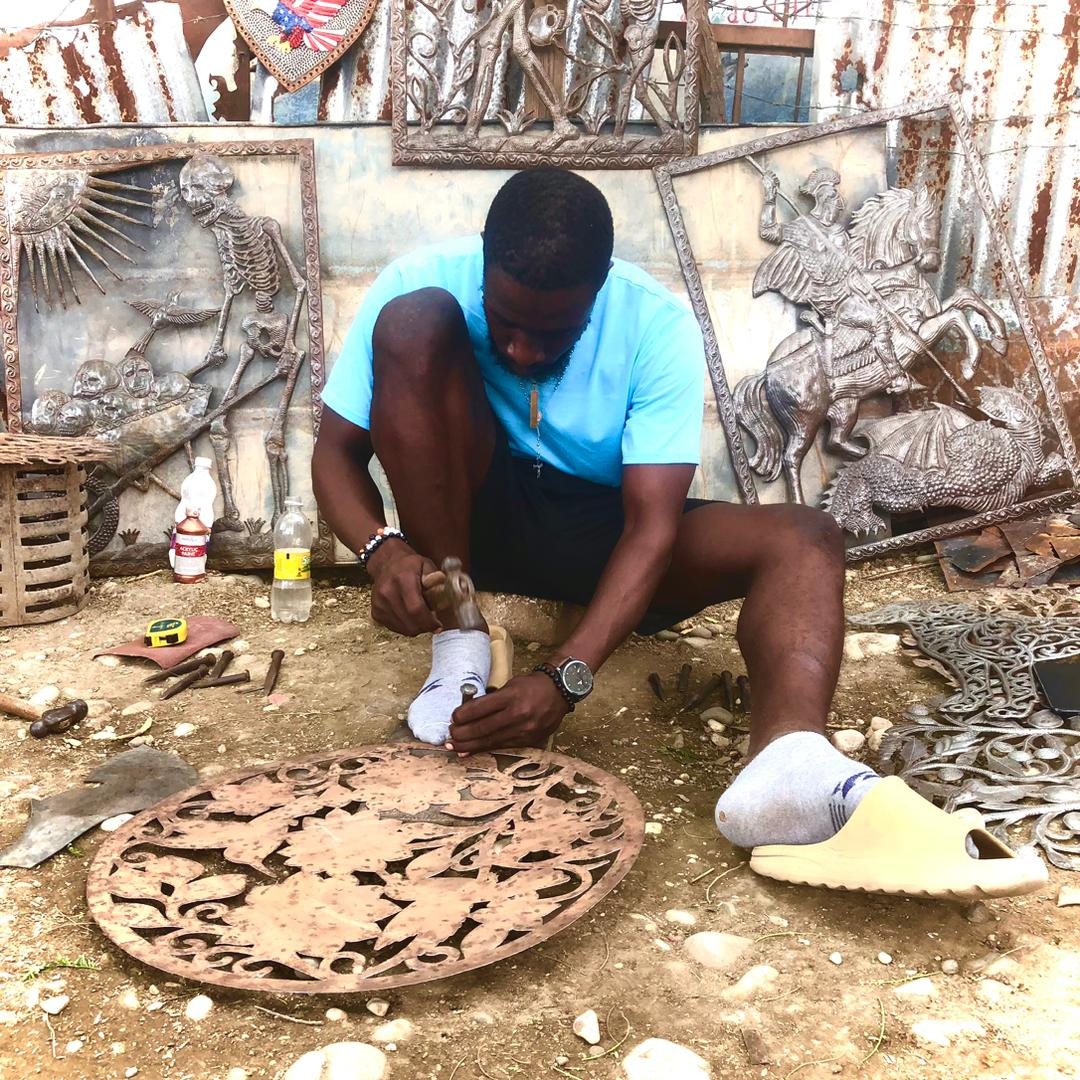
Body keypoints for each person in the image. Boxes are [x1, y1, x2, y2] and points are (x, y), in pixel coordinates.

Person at [312, 167, 1044, 899]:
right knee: (415, 321)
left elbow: (651, 529)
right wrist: (382, 550)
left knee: (807, 537)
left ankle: (789, 769)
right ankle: (463, 640)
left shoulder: (653, 323)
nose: (525, 352)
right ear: (485, 266)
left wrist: (563, 678)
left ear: (596, 292)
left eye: (555, 331)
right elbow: (335, 455)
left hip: (604, 536)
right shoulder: (422, 281)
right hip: (467, 527)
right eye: (505, 324)